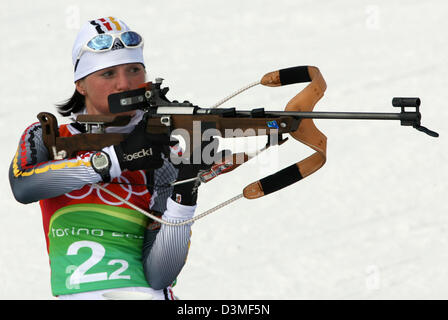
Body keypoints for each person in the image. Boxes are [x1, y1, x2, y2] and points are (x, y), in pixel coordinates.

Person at [9, 16, 208, 300]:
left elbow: (160, 275)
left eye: (134, 69)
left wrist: (185, 193)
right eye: (108, 73)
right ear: (80, 83)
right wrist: (115, 159)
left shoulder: (165, 153)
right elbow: (24, 187)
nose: (124, 83)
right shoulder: (47, 135)